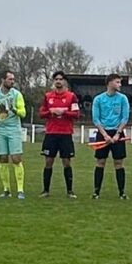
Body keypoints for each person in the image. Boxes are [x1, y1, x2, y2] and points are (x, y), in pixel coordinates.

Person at [39, 71, 81, 199]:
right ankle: (45, 190)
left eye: (61, 79)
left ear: (65, 82)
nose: (58, 81)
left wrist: (64, 112)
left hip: (65, 134)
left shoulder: (71, 96)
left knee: (66, 162)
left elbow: (76, 115)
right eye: (56, 79)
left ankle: (69, 191)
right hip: (51, 133)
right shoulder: (48, 96)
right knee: (48, 162)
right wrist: (50, 112)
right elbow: (41, 113)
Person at [90, 74, 132, 199]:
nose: (120, 84)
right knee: (100, 162)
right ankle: (96, 192)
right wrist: (105, 135)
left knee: (118, 163)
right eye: (117, 82)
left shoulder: (123, 98)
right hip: (103, 133)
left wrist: (118, 133)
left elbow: (125, 118)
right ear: (110, 83)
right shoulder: (98, 99)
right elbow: (96, 119)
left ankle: (122, 192)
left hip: (117, 133)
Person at [0, 70, 27, 199]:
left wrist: (14, 109)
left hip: (13, 129)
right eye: (10, 79)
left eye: (13, 79)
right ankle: (6, 190)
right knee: (3, 158)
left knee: (16, 158)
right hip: (0, 129)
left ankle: (20, 190)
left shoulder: (17, 95)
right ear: (3, 80)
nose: (12, 81)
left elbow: (23, 113)